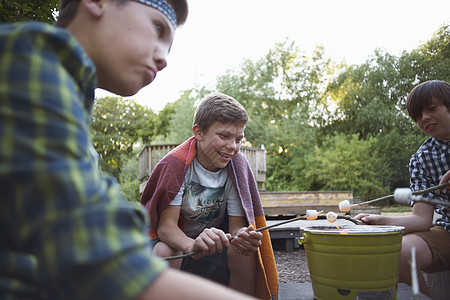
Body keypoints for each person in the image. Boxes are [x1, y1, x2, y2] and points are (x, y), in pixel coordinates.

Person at [0, 1, 257, 299]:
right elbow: (95, 254)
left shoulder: (67, 94)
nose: (163, 60)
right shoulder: (28, 63)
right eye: (157, 28)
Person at [140, 93, 279, 299]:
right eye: (224, 136)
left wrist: (243, 237)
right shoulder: (177, 166)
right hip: (180, 243)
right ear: (199, 132)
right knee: (163, 252)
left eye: (238, 139)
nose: (232, 146)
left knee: (246, 254)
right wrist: (191, 245)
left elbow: (235, 229)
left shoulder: (236, 167)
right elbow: (166, 227)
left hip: (217, 244)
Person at [355, 80, 450, 297]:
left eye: (432, 109)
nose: (424, 118)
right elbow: (422, 220)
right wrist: (379, 221)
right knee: (395, 253)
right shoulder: (422, 158)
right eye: (417, 116)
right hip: (447, 230)